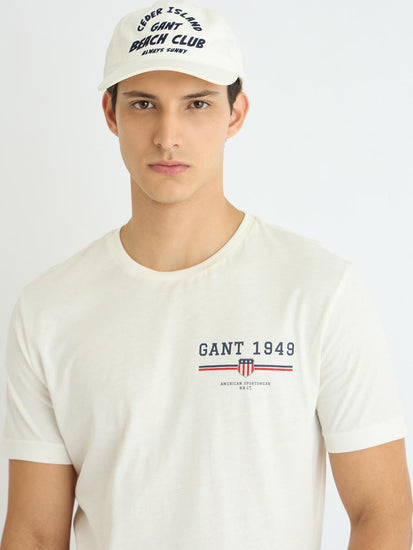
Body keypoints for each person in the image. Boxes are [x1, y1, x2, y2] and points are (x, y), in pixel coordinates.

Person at [0, 1, 412, 548]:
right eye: (144, 104)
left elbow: (383, 512)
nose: (167, 135)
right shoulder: (49, 309)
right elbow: (33, 532)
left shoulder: (318, 288)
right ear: (111, 113)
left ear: (235, 114)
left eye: (196, 104)